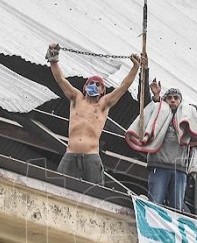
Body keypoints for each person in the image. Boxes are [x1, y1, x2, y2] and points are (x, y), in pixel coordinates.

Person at [47, 44, 142, 185]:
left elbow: (123, 86)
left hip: (91, 155)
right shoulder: (77, 98)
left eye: (98, 84)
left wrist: (135, 67)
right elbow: (61, 80)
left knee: (96, 191)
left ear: (103, 90)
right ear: (85, 87)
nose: (94, 86)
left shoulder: (103, 104)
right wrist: (54, 59)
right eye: (91, 83)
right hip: (71, 153)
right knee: (60, 187)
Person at [126, 80, 197, 210]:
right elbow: (144, 102)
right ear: (165, 100)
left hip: (180, 170)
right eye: (169, 98)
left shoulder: (189, 116)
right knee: (154, 204)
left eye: (176, 98)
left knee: (176, 210)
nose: (172, 100)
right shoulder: (156, 113)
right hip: (159, 166)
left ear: (181, 101)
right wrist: (145, 71)